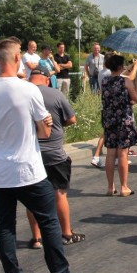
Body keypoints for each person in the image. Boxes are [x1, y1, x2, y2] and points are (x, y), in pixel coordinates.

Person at [0, 39, 89, 273]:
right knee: (49, 222)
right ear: (17, 57)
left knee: (5, 226)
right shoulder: (28, 89)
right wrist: (44, 123)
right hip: (27, 167)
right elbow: (45, 131)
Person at [30, 69, 85, 244]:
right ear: (46, 79)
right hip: (54, 153)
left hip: (31, 153)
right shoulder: (55, 93)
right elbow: (72, 119)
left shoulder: (22, 93)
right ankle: (66, 233)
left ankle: (36, 237)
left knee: (32, 197)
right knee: (60, 193)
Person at [101, 54, 137, 197]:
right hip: (124, 120)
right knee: (122, 153)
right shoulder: (126, 82)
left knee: (110, 153)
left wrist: (130, 69)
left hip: (109, 119)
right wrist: (136, 83)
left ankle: (110, 187)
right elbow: (135, 98)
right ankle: (124, 187)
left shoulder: (105, 81)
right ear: (119, 66)